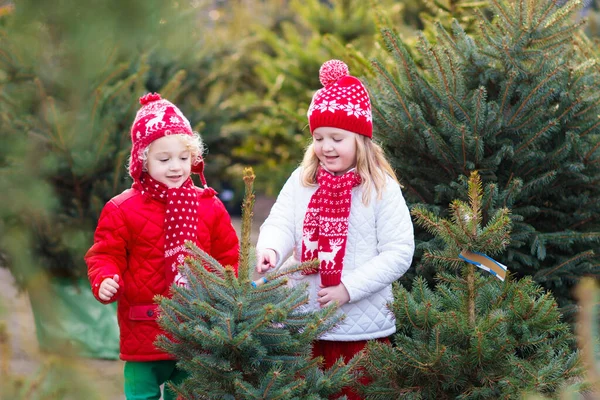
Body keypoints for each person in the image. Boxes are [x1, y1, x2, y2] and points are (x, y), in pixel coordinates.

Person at [255, 60, 414, 399]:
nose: (326, 147)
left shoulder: (380, 188)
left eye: (337, 138)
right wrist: (271, 249)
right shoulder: (303, 181)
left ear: (361, 139)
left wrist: (348, 288)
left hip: (360, 328)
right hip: (305, 319)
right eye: (318, 137)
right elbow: (281, 221)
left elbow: (399, 252)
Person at [85, 93, 239, 400]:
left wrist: (228, 292)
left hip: (196, 330)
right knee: (141, 393)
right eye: (164, 159)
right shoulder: (122, 209)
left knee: (187, 394)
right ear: (142, 160)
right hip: (144, 327)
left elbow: (228, 256)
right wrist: (105, 279)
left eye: (183, 158)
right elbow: (105, 254)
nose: (175, 167)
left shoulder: (208, 206)